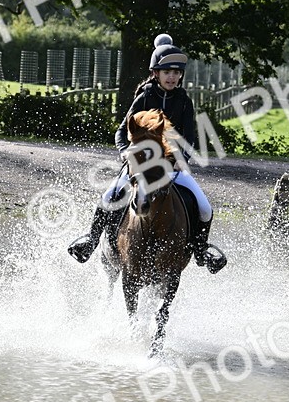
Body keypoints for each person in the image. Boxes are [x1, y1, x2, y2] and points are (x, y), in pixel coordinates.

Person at [67, 34, 227, 274]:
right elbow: (122, 132)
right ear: (156, 73)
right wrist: (124, 153)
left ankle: (201, 249)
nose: (172, 76)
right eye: (167, 72)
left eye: (176, 72)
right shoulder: (145, 96)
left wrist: (178, 160)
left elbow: (189, 137)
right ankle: (91, 240)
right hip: (139, 165)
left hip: (171, 166)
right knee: (109, 195)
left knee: (204, 207)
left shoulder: (184, 101)